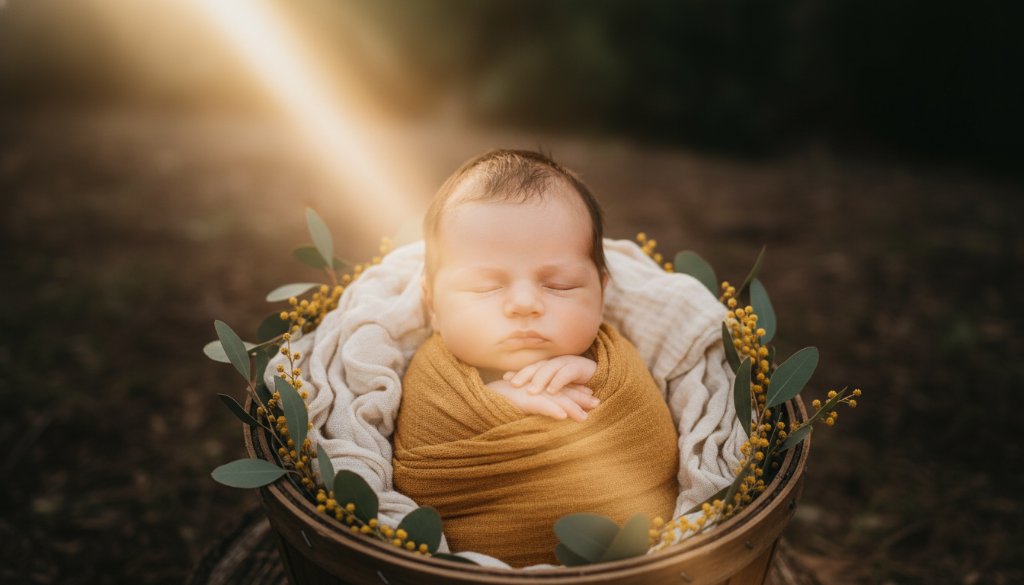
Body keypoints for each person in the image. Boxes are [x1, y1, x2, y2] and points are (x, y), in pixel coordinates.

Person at [393, 149, 679, 566]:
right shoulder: (431, 373)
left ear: (601, 293)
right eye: (483, 287)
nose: (524, 303)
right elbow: (418, 466)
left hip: (629, 560)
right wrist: (496, 400)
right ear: (433, 305)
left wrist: (596, 376)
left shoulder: (616, 358)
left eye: (560, 285)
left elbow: (651, 440)